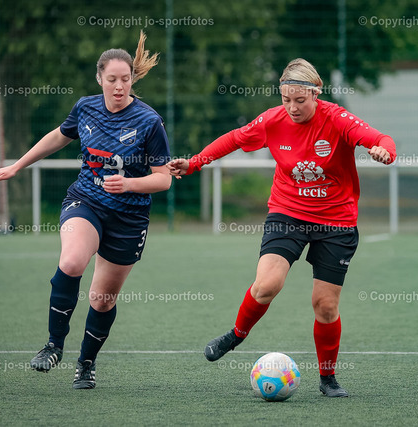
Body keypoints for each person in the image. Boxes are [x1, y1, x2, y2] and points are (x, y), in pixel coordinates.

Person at [168, 58, 396, 398]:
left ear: (316, 94)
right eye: (286, 99)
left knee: (325, 305)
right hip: (288, 213)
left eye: (299, 100)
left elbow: (381, 139)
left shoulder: (336, 119)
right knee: (266, 285)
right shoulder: (272, 120)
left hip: (336, 221)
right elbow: (234, 139)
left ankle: (328, 378)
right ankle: (236, 335)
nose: (292, 107)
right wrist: (195, 163)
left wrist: (384, 152)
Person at [0, 31, 171, 389]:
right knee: (72, 262)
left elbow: (163, 179)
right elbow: (59, 136)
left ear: (132, 79)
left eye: (125, 79)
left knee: (101, 300)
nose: (119, 86)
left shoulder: (149, 121)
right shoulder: (86, 107)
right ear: (99, 78)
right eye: (112, 79)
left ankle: (86, 364)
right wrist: (17, 165)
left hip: (129, 217)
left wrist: (129, 184)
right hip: (86, 201)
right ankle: (53, 345)